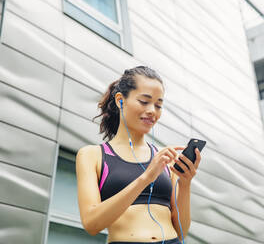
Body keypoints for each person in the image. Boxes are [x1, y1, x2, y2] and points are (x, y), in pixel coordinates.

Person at [75, 66, 202, 244]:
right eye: (144, 101)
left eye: (158, 105)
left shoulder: (165, 158)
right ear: (120, 100)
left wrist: (186, 184)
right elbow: (91, 223)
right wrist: (146, 177)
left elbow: (181, 231)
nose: (152, 110)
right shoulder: (92, 155)